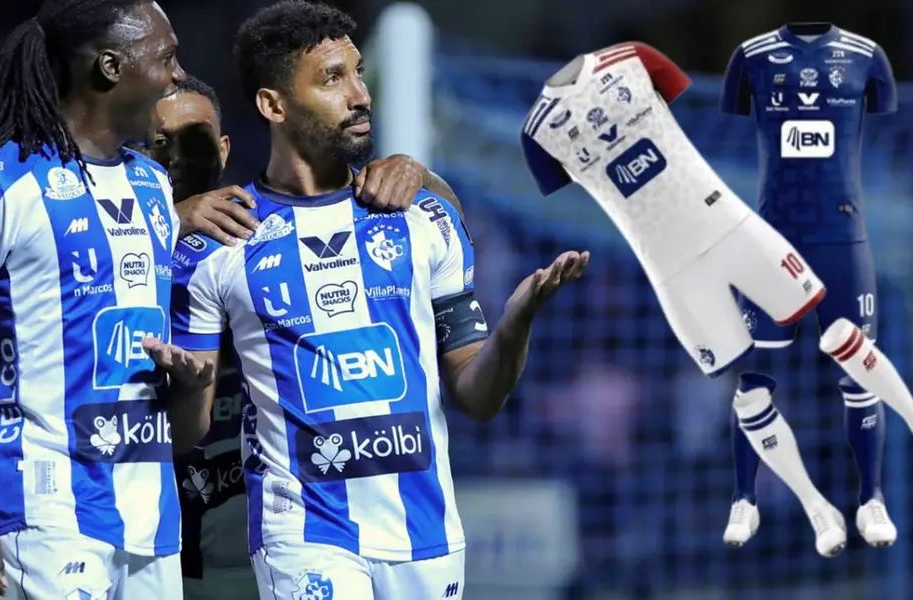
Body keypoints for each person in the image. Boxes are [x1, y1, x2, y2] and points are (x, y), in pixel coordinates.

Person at [146, 3, 587, 598]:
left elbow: (478, 396)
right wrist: (190, 383)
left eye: (357, 73)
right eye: (333, 78)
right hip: (301, 536)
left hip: (427, 537)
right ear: (273, 105)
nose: (361, 95)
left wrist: (515, 322)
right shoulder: (221, 242)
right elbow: (184, 429)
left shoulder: (425, 216)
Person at [520, 41, 913, 557]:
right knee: (748, 395)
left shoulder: (633, 58)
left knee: (839, 330)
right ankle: (816, 507)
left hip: (730, 226)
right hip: (673, 271)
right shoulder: (538, 131)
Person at [0, 2, 221, 598]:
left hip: (151, 516)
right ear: (110, 67)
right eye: (166, 57)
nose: (178, 75)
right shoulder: (2, 185)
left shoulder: (151, 185)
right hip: (42, 515)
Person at [147, 75, 472, 599]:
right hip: (175, 553)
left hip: (292, 541)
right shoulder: (126, 255)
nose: (174, 158)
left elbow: (436, 216)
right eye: (156, 142)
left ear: (224, 149)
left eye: (193, 140)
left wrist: (419, 175)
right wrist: (166, 222)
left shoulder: (258, 238)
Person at [719, 23, 913, 549]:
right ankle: (746, 499)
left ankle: (870, 499)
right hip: (774, 243)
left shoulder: (866, 55)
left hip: (843, 239)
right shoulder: (752, 55)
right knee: (753, 382)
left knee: (860, 374)